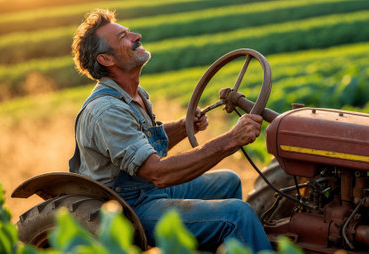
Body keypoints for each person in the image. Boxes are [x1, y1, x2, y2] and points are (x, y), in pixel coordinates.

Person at [69, 9, 272, 252]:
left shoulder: (134, 95)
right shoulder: (107, 110)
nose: (137, 36)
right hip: (127, 206)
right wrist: (230, 140)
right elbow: (157, 173)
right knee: (238, 215)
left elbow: (140, 142)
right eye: (124, 36)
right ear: (107, 60)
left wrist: (183, 127)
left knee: (228, 181)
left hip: (145, 189)